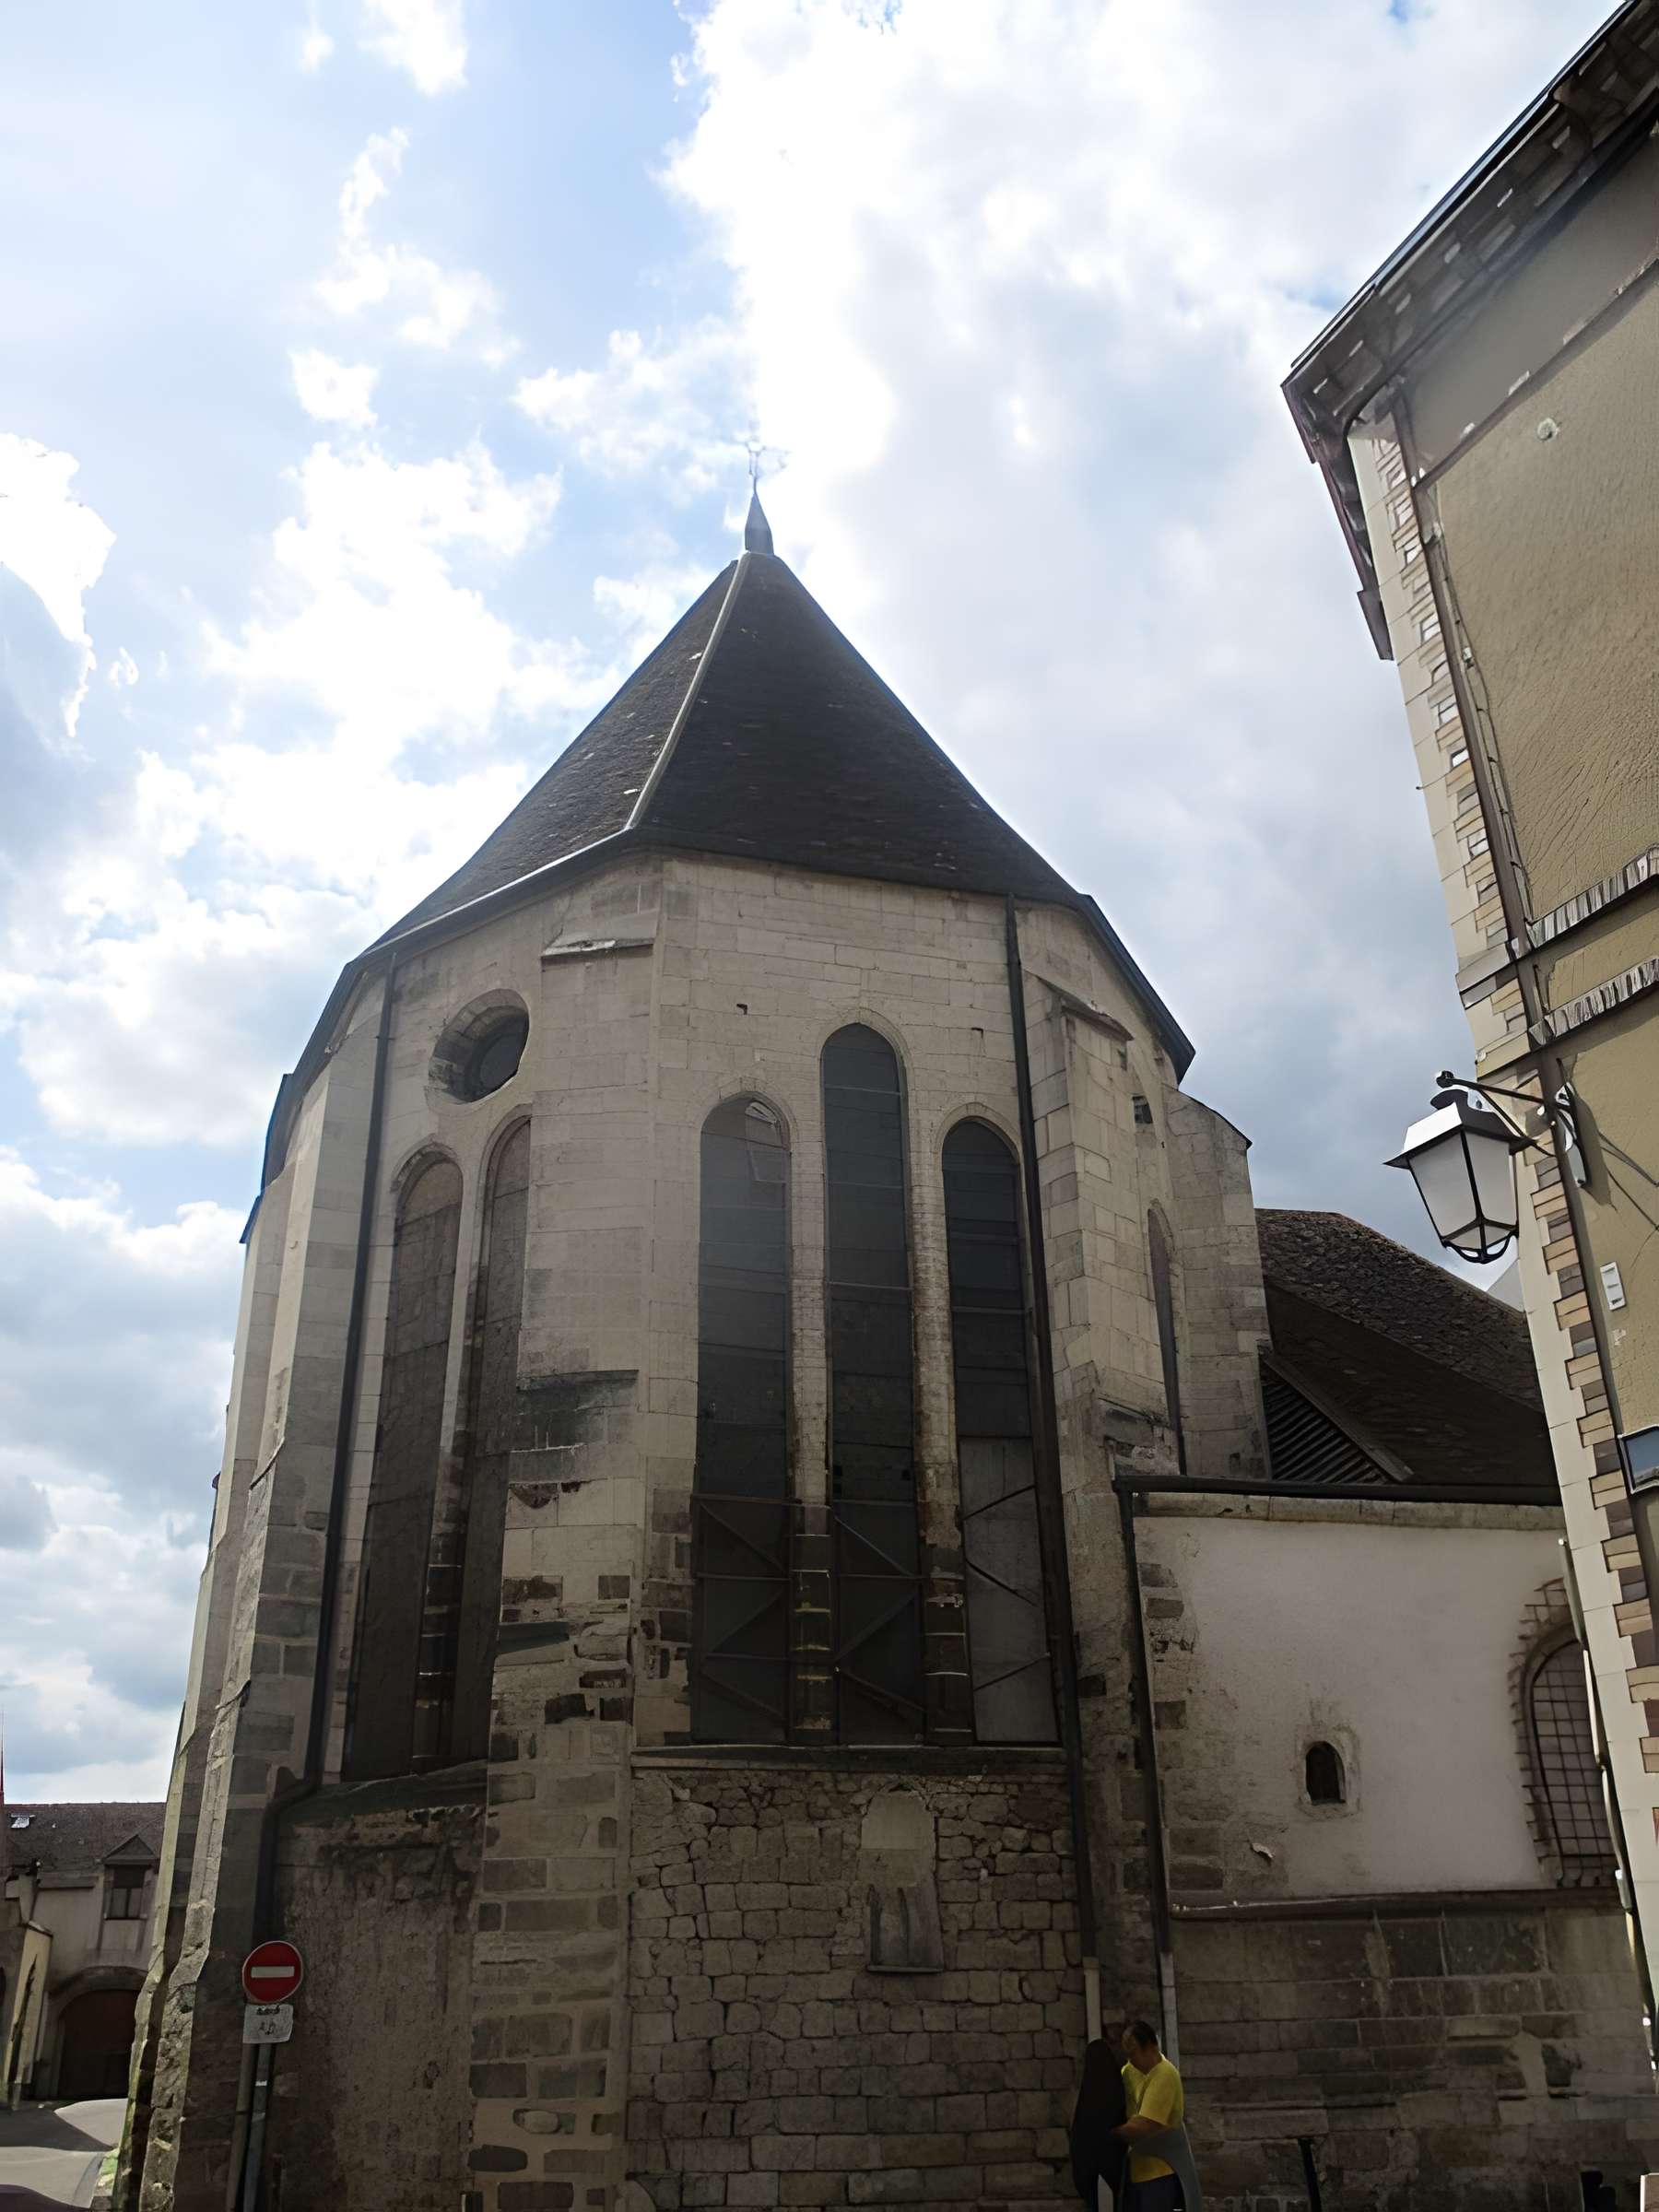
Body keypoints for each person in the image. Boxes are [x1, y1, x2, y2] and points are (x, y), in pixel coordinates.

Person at [1115, 2020, 1200, 2210]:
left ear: (1150, 2047)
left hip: (1162, 2174)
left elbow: (1146, 2125)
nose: (1131, 2059)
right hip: (1136, 2172)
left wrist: (1110, 2132)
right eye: (1128, 2054)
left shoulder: (1165, 2075)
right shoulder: (1129, 2072)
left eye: (1134, 2052)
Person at [1068, 2032, 1128, 2207]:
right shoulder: (1116, 2088)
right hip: (1114, 2151)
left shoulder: (1087, 2095)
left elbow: (1079, 2138)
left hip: (1089, 2153)